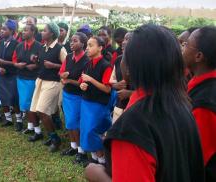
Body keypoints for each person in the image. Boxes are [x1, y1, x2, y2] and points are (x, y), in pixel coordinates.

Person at [85, 24, 205, 182]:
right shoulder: (183, 104)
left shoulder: (132, 128)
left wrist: (96, 174)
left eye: (124, 51)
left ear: (129, 67)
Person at [183, 26, 216, 182]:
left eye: (186, 44)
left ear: (198, 56)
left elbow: (197, 157)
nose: (181, 48)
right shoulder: (198, 84)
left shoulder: (205, 102)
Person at [29, 22, 67, 152]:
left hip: (53, 83)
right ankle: (52, 136)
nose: (41, 32)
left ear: (51, 33)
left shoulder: (59, 48)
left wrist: (54, 65)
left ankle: (55, 139)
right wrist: (36, 61)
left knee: (43, 111)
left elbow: (68, 66)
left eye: (44, 30)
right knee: (36, 110)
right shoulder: (42, 47)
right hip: (41, 81)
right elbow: (42, 63)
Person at [79, 36, 112, 166]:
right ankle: (94, 158)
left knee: (92, 131)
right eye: (87, 45)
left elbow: (107, 89)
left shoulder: (106, 66)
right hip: (86, 101)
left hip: (98, 104)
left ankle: (102, 160)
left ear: (100, 48)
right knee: (85, 129)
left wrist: (91, 80)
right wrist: (82, 85)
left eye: (90, 45)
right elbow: (82, 79)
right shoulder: (88, 63)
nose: (87, 48)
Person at [59, 32, 89, 162]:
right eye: (71, 40)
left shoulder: (87, 61)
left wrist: (69, 80)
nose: (71, 43)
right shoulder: (69, 57)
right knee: (69, 123)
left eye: (75, 41)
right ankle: (73, 147)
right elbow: (61, 72)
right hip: (67, 94)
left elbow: (84, 82)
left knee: (75, 123)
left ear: (83, 44)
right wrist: (63, 76)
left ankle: (81, 152)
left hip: (78, 96)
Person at [14, 24, 42, 134]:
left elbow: (43, 63)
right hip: (21, 78)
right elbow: (14, 60)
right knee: (25, 104)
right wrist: (17, 65)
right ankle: (31, 127)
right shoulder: (19, 46)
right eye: (23, 30)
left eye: (26, 30)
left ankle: (37, 129)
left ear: (33, 32)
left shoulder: (39, 46)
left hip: (32, 79)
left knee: (30, 104)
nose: (23, 32)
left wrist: (35, 65)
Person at [0, 19, 21, 127]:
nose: (1, 31)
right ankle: (8, 119)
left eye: (4, 29)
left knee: (14, 98)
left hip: (12, 75)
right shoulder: (0, 43)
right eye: (2, 29)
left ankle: (18, 120)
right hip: (1, 74)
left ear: (12, 31)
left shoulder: (17, 45)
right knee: (3, 97)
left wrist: (5, 63)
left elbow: (17, 62)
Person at [109, 32, 133, 120]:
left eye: (128, 39)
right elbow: (112, 81)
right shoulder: (118, 60)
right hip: (119, 107)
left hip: (136, 109)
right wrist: (116, 85)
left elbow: (153, 91)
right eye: (124, 39)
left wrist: (131, 93)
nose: (123, 42)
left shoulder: (144, 62)